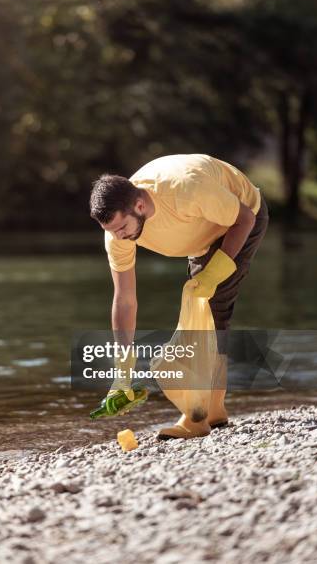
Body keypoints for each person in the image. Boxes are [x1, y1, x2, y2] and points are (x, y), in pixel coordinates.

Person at [89, 153, 269, 439]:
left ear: (139, 205)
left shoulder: (186, 189)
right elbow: (124, 298)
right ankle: (215, 410)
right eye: (112, 231)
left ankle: (196, 417)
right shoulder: (117, 233)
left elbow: (244, 218)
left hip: (242, 215)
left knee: (211, 306)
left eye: (122, 228)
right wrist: (122, 369)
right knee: (211, 313)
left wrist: (214, 273)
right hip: (201, 232)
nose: (118, 237)